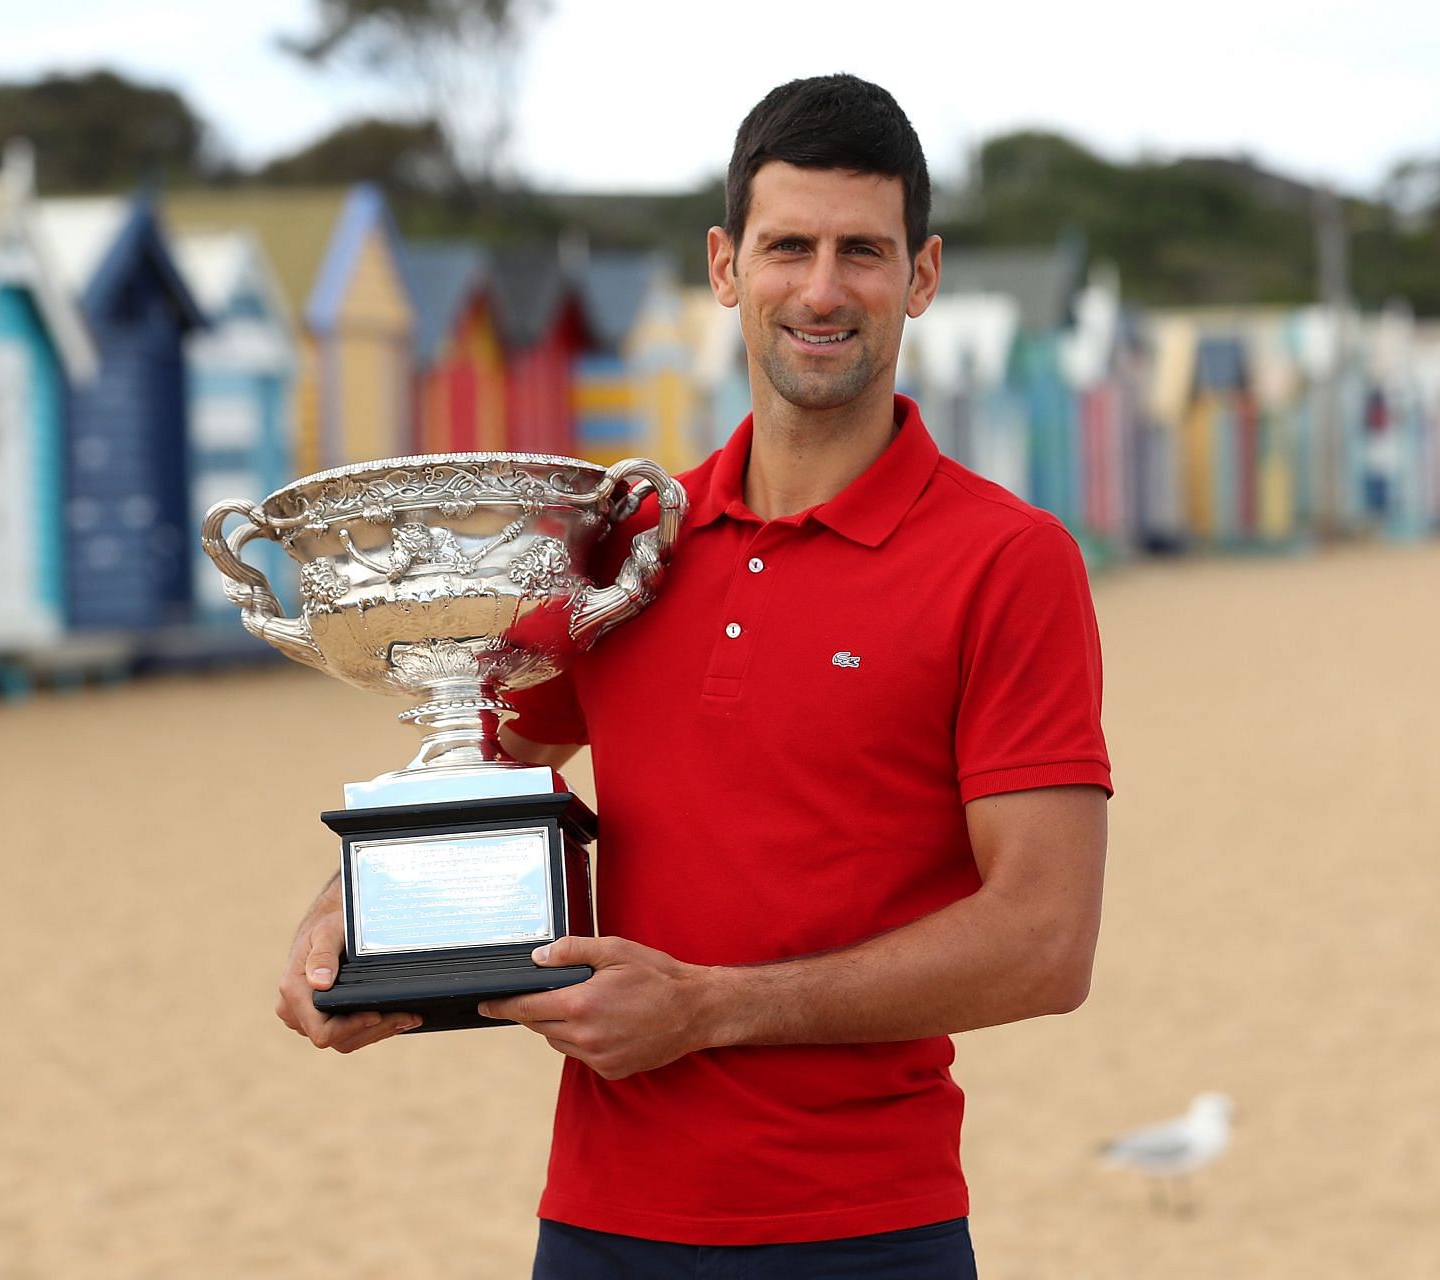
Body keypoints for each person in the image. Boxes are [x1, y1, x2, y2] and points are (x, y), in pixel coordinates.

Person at [276, 73, 1112, 1278]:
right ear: (726, 265)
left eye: (861, 252)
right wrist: (347, 922)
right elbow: (472, 750)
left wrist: (712, 1005)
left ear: (920, 276)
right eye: (787, 248)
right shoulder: (623, 548)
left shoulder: (1007, 561)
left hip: (866, 1234)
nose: (821, 291)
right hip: (600, 1227)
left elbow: (1044, 941)